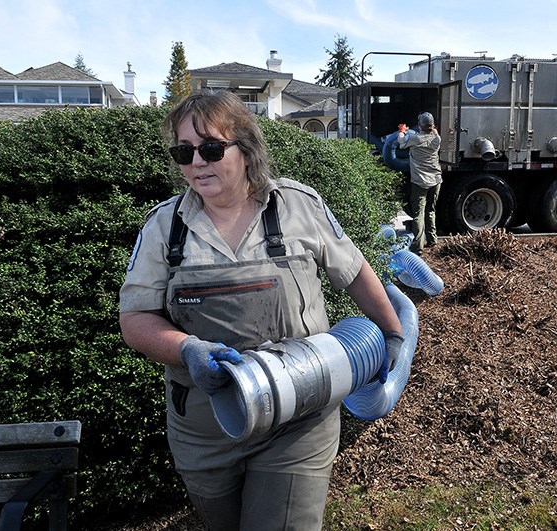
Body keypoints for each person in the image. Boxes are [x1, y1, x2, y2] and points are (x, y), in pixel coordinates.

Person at [118, 89, 404, 531]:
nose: (196, 162)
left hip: (299, 416)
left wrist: (392, 335)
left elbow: (354, 271)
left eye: (211, 148)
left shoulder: (297, 205)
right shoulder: (164, 227)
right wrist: (187, 350)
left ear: (245, 148)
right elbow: (135, 319)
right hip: (206, 428)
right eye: (184, 151)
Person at [397, 112, 443, 254]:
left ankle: (417, 246)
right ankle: (432, 240)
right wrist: (431, 127)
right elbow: (433, 131)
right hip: (436, 180)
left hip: (420, 182)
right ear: (432, 126)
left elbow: (401, 142)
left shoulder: (415, 139)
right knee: (431, 210)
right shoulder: (437, 139)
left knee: (418, 213)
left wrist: (402, 131)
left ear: (419, 126)